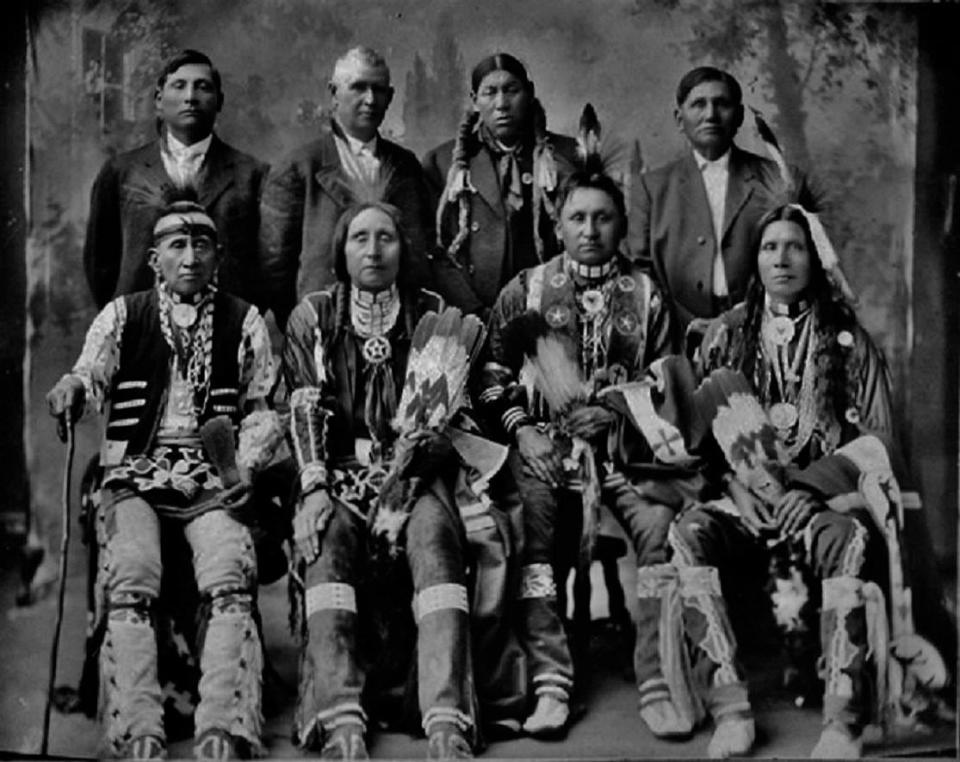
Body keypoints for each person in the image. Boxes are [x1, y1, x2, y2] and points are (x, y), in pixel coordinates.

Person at [674, 204, 946, 758]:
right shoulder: (726, 336)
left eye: (794, 246)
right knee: (689, 532)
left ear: (814, 257)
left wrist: (809, 487)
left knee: (844, 541)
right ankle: (730, 709)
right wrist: (736, 485)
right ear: (755, 259)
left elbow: (879, 441)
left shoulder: (848, 341)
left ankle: (843, 720)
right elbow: (699, 438)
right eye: (770, 247)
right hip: (748, 502)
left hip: (823, 503)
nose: (782, 258)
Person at [282, 200, 524, 760]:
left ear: (403, 248)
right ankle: (341, 718)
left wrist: (434, 442)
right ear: (341, 251)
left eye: (386, 237)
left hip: (414, 476)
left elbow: (470, 394)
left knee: (436, 543)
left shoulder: (431, 309)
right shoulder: (313, 316)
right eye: (360, 238)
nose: (373, 249)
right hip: (339, 474)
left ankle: (446, 718)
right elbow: (304, 403)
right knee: (327, 546)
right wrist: (315, 487)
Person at [46, 191, 281, 759]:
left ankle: (221, 725)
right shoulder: (124, 315)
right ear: (155, 259)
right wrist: (73, 389)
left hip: (210, 479)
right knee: (131, 575)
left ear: (218, 257)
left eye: (202, 244)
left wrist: (244, 465)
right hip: (134, 475)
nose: (191, 256)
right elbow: (89, 373)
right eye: (177, 244)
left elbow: (263, 407)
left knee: (228, 573)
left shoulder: (243, 321)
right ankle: (139, 726)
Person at [479, 162, 679, 738]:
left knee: (659, 529)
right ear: (558, 224)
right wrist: (523, 430)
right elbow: (490, 377)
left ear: (621, 227)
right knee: (533, 533)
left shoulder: (646, 297)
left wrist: (616, 411)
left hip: (624, 456)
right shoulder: (529, 288)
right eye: (577, 218)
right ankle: (551, 681)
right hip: (544, 450)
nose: (590, 229)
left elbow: (665, 381)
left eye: (603, 218)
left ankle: (656, 678)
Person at [628, 66, 815, 342]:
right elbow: (641, 274)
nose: (711, 115)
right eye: (698, 104)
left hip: (763, 333)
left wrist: (738, 319)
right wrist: (688, 325)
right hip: (676, 337)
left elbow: (804, 262)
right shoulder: (651, 188)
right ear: (679, 119)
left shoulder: (779, 180)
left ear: (739, 116)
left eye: (722, 104)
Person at [260, 46, 433, 329]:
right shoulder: (299, 167)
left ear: (390, 97)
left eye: (378, 90)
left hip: (398, 324)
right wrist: (300, 324)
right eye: (358, 87)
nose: (369, 99)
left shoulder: (406, 166)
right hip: (324, 323)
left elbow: (421, 251)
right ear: (334, 93)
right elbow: (274, 265)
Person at [83, 49, 268, 310]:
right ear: (159, 100)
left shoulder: (253, 174)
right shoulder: (121, 172)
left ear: (219, 101)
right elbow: (99, 261)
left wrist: (241, 318)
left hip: (225, 332)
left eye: (202, 87)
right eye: (179, 86)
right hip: (142, 329)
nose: (190, 97)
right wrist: (125, 314)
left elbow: (269, 264)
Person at [423, 53, 579, 319]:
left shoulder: (567, 157)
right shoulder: (443, 163)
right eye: (490, 93)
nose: (501, 104)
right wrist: (473, 312)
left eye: (511, 90)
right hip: (473, 315)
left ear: (529, 93)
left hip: (554, 310)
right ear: (475, 101)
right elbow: (437, 254)